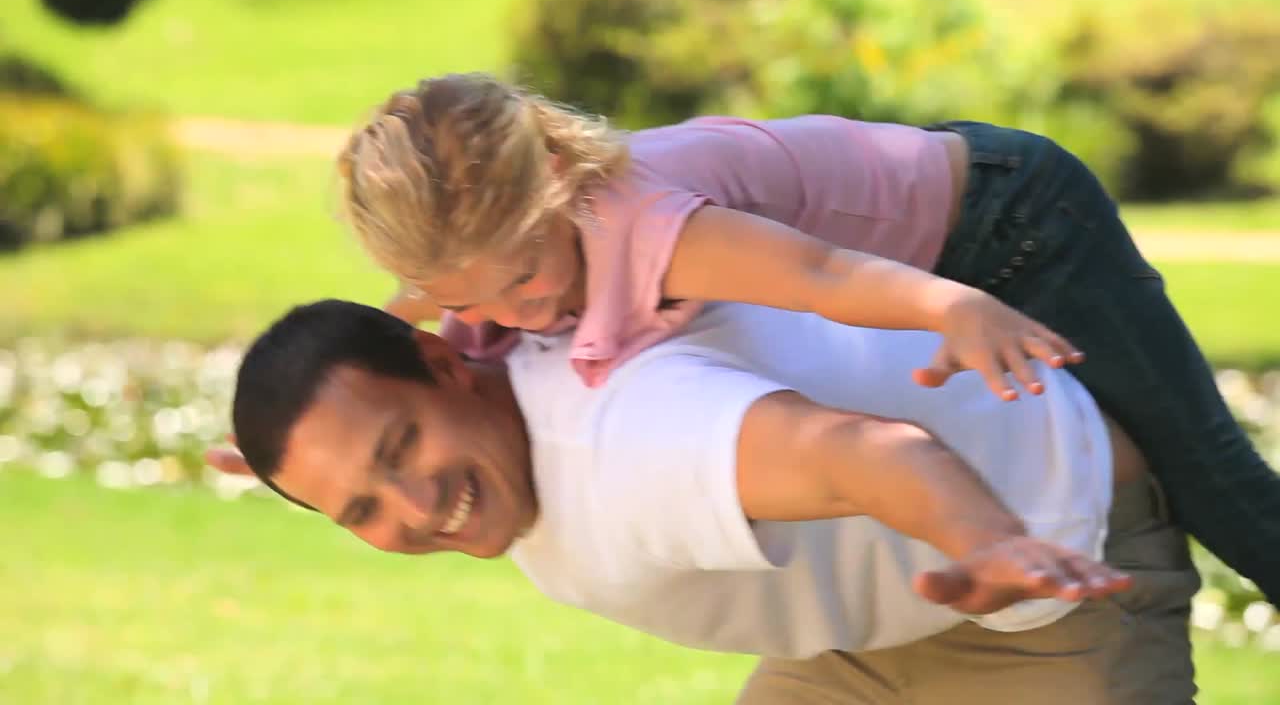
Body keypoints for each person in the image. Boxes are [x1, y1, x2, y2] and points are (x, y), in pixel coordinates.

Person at [334, 73, 1280, 600]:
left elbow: (824, 278)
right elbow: (398, 325)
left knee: (1204, 472)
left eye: (525, 278)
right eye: (478, 300)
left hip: (1012, 223)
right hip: (925, 228)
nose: (516, 316)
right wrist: (303, 431)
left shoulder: (653, 230)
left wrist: (950, 306)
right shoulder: (490, 262)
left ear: (555, 174)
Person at [212, 298, 1197, 704]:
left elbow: (863, 453)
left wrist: (985, 541)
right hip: (872, 612)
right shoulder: (483, 361)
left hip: (1045, 563)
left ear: (443, 365)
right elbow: (365, 412)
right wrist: (309, 460)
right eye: (359, 511)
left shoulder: (631, 442)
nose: (416, 506)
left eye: (400, 448)